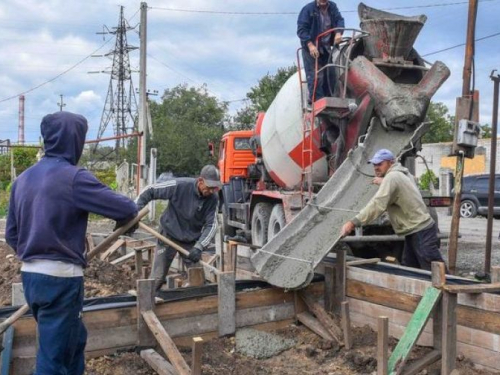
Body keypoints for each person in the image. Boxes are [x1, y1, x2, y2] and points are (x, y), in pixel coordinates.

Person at [5, 111, 138, 375]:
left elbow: (11, 235)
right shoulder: (74, 178)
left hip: (32, 277)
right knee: (53, 359)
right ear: (75, 140)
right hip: (61, 280)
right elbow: (125, 207)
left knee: (73, 342)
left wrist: (35, 250)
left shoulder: (22, 180)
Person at [340, 149, 446, 270]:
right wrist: (384, 181)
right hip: (415, 229)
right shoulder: (403, 173)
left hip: (420, 230)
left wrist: (353, 222)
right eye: (374, 164)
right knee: (410, 267)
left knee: (433, 267)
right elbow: (401, 185)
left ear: (390, 163)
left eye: (380, 164)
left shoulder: (392, 177)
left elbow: (377, 205)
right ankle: (420, 288)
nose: (376, 167)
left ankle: (451, 287)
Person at [135, 165, 221, 291]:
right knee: (158, 276)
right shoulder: (180, 185)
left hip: (190, 241)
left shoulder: (212, 199)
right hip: (168, 235)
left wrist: (199, 247)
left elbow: (212, 225)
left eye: (215, 188)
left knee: (198, 279)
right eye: (209, 187)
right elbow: (151, 190)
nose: (212, 191)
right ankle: (146, 300)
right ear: (200, 181)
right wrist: (135, 210)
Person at [297, 0, 345, 104]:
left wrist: (338, 33)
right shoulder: (308, 9)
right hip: (311, 49)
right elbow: (301, 30)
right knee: (315, 76)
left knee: (331, 74)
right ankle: (316, 100)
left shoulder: (332, 7)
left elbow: (339, 20)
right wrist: (310, 45)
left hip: (326, 48)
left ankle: (330, 100)